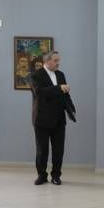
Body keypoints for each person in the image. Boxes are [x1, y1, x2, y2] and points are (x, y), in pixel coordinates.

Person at [30, 51, 76, 186]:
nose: (58, 63)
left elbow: (65, 94)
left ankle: (56, 176)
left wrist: (71, 108)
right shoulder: (35, 75)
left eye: (58, 60)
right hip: (41, 119)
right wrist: (59, 88)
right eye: (55, 60)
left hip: (59, 119)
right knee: (42, 150)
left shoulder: (61, 75)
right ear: (47, 61)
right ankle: (42, 175)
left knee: (58, 150)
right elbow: (40, 92)